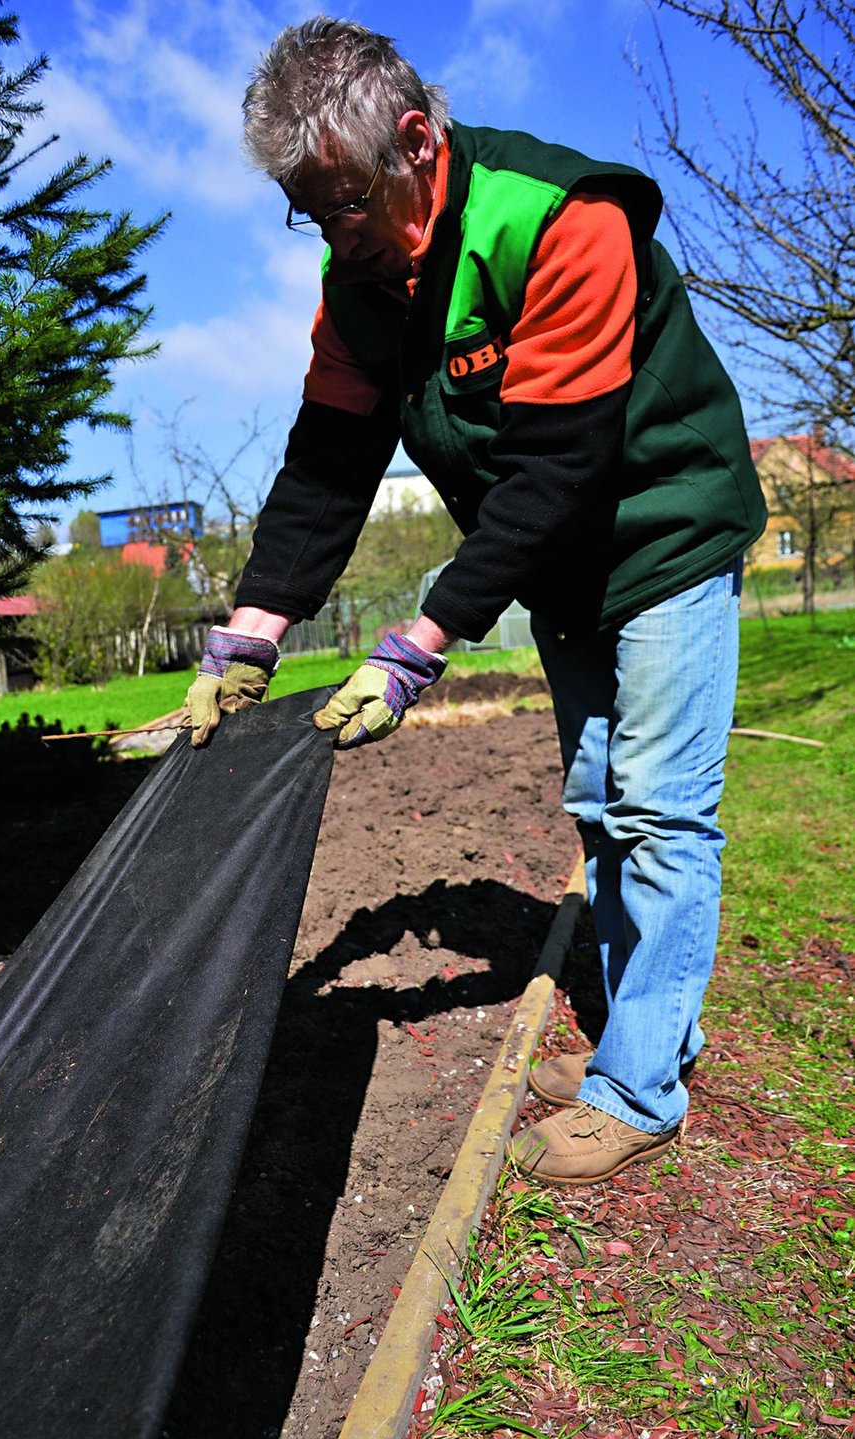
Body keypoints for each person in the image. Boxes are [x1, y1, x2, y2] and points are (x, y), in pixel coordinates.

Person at [184, 17, 767, 1184]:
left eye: (344, 200)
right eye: (309, 209)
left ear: (414, 139)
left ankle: (641, 1090)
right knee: (599, 801)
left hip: (663, 529)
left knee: (659, 808)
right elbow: (328, 463)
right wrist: (249, 632)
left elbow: (558, 464)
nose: (333, 233)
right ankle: (651, 1034)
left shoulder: (556, 219)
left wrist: (421, 643)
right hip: (555, 556)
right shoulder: (358, 285)